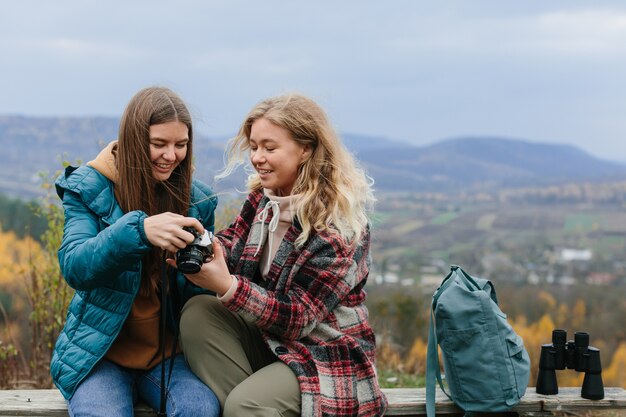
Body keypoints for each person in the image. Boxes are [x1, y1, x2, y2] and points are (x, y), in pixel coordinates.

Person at [176, 93, 388, 417]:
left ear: (305, 148)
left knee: (245, 405)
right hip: (269, 340)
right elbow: (232, 244)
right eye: (254, 147)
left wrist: (227, 286)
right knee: (198, 312)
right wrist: (197, 241)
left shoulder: (338, 229)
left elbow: (298, 318)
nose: (257, 158)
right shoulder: (264, 198)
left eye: (269, 148)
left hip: (323, 353)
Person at [50, 86, 220, 417]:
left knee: (200, 409)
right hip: (101, 355)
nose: (171, 155)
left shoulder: (198, 201)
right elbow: (75, 266)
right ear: (133, 140)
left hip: (171, 355)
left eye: (181, 145)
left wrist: (208, 271)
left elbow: (197, 296)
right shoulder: (88, 188)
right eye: (159, 144)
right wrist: (139, 231)